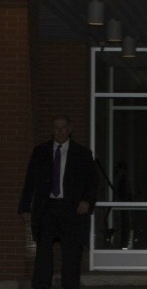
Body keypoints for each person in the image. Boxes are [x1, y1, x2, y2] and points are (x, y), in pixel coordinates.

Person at [17, 115, 98, 289]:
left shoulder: (83, 153)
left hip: (72, 209)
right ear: (52, 130)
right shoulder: (40, 152)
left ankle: (70, 285)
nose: (60, 131)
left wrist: (87, 201)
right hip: (47, 208)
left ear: (70, 129)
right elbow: (30, 180)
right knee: (43, 251)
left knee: (71, 253)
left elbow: (92, 182)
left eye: (63, 127)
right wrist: (24, 206)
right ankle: (41, 285)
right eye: (56, 127)